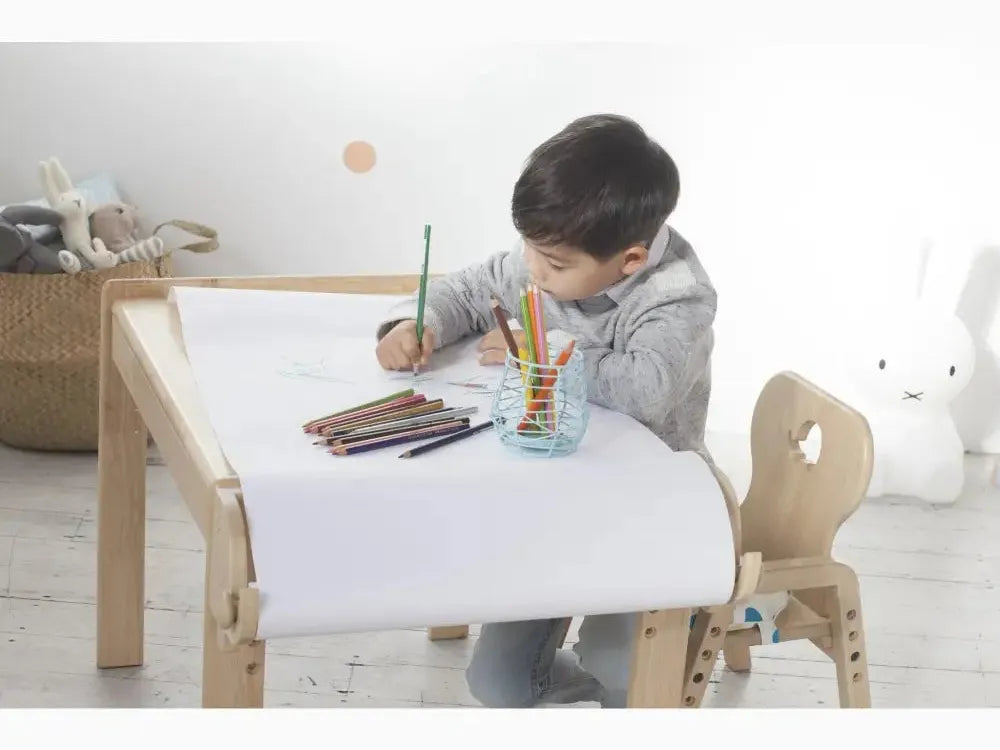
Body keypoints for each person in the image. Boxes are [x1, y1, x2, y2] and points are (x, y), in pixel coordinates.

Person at [375, 113, 717, 707]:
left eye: (553, 266)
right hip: (553, 501)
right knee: (498, 686)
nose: (532, 272)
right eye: (531, 251)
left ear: (631, 260)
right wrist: (416, 323)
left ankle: (637, 677)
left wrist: (537, 354)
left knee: (626, 674)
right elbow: (466, 290)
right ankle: (588, 671)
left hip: (651, 508)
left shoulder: (676, 295)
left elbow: (647, 386)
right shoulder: (554, 251)